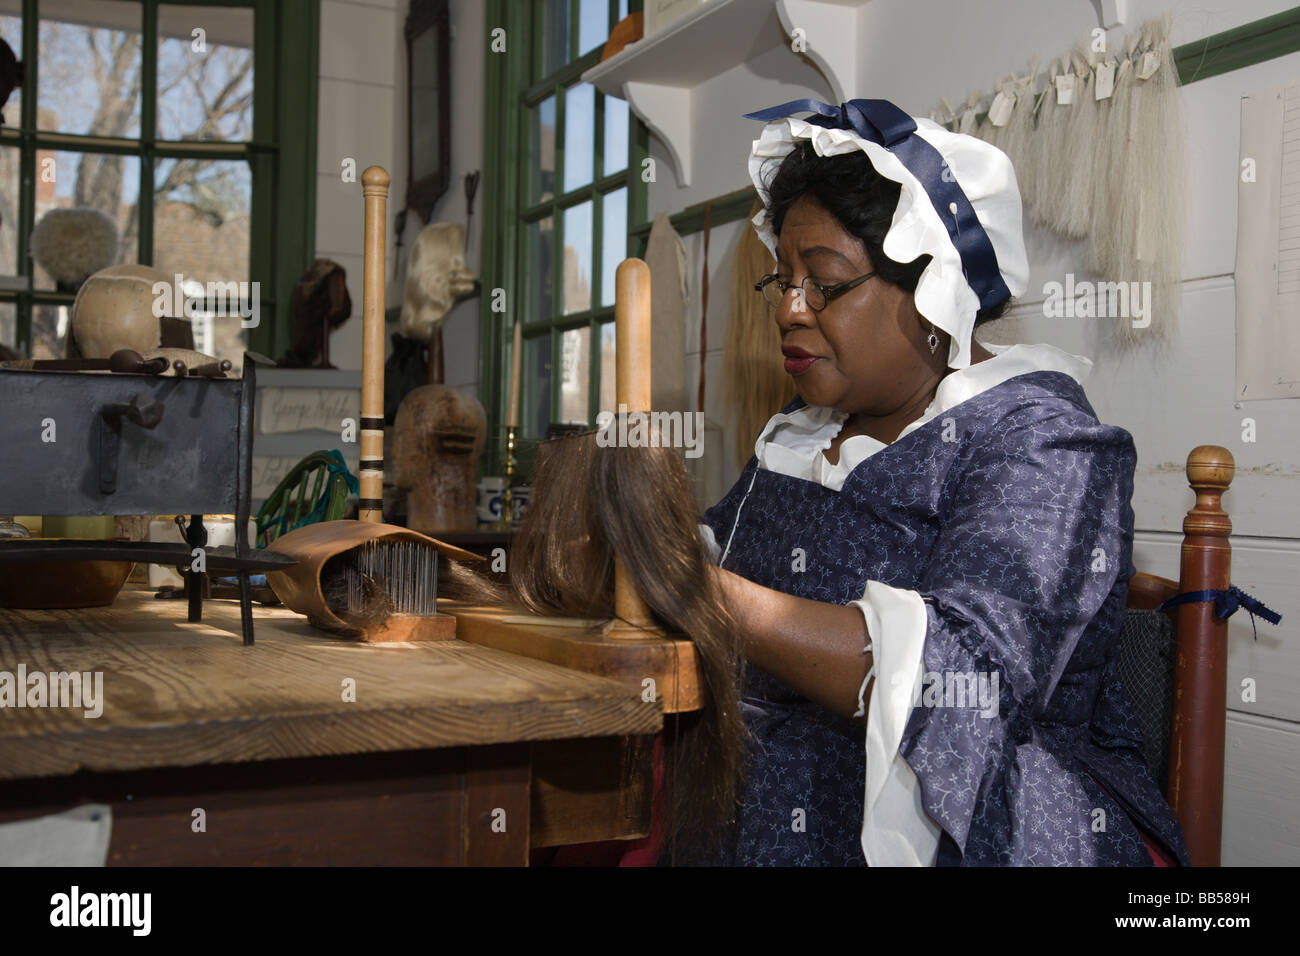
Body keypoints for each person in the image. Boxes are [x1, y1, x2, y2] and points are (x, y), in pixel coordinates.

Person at [698, 98, 1189, 866]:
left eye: (822, 282)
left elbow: (963, 681)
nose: (790, 310)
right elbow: (713, 554)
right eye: (782, 280)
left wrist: (699, 593)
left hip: (978, 817)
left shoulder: (1044, 443)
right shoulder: (806, 430)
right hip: (763, 787)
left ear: (935, 293)